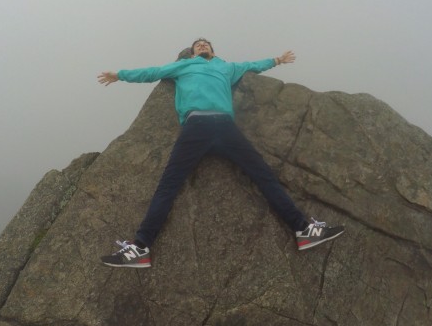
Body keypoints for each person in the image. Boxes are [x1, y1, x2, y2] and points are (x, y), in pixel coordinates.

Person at [97, 38, 344, 268]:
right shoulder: (183, 66)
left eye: (206, 44)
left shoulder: (227, 68)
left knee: (264, 175)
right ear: (192, 53)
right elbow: (152, 72)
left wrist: (277, 60)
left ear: (213, 51)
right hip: (196, 126)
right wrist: (119, 75)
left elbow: (252, 65)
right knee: (168, 185)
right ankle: (140, 248)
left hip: (226, 127)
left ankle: (303, 230)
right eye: (197, 45)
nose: (202, 46)